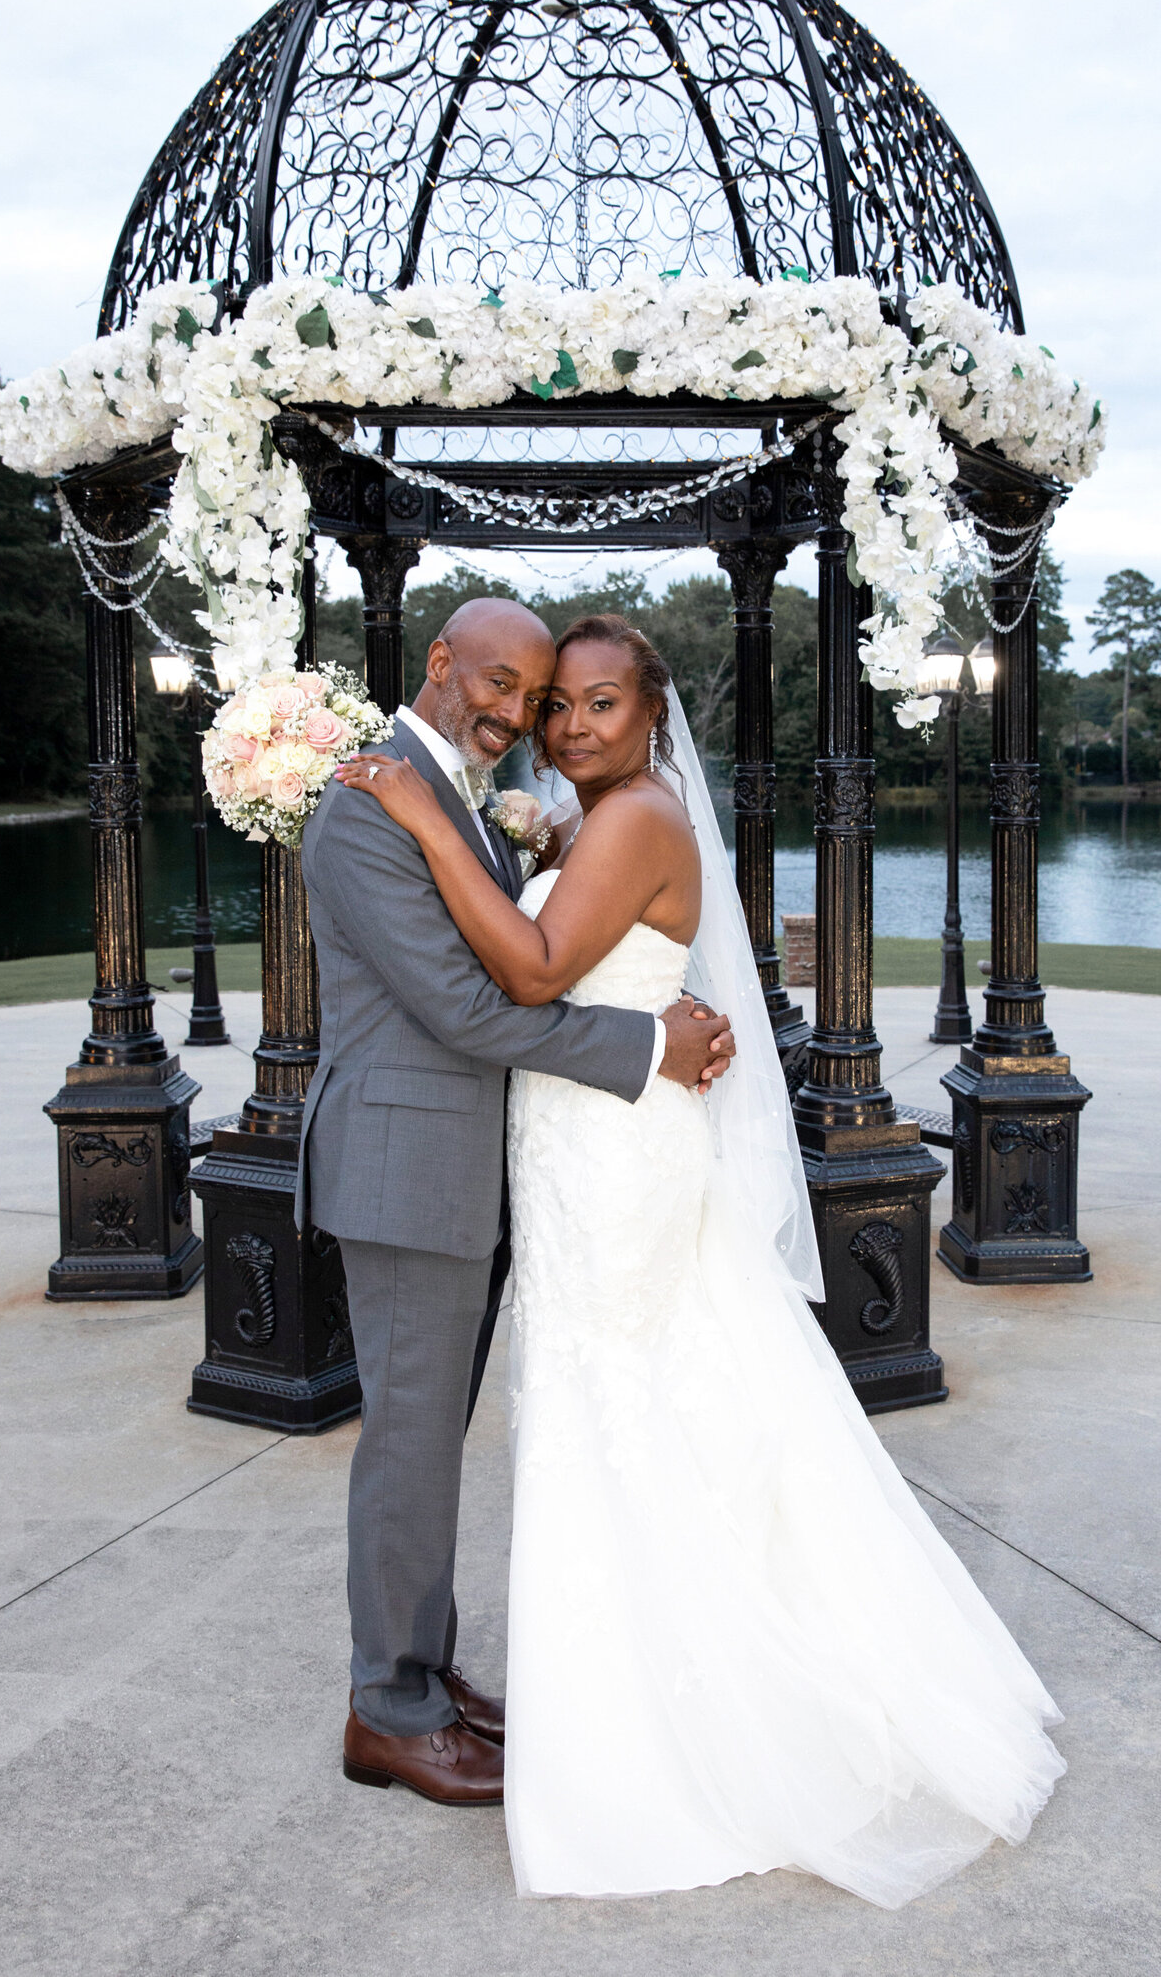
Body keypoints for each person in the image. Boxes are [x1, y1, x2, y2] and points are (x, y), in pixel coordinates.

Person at [346, 610, 1066, 1907]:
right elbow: (503, 985)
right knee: (604, 1404)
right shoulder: (566, 815)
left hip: (614, 1155)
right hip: (571, 1146)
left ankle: (657, 1720)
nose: (562, 723)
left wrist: (424, 818)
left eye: (593, 703)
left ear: (652, 708)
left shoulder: (628, 819)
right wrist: (440, 826)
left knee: (629, 1402)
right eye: (550, 701)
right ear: (453, 672)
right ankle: (489, 1688)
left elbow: (527, 970)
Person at [297, 598, 735, 1811]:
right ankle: (389, 1712)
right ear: (439, 662)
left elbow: (518, 948)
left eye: (533, 696)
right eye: (499, 682)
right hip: (405, 1172)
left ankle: (421, 1676)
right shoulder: (367, 810)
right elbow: (472, 1008)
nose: (512, 711)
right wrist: (647, 1039)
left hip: (469, 1169)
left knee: (427, 1440)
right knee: (409, 1443)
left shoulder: (452, 799)